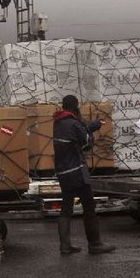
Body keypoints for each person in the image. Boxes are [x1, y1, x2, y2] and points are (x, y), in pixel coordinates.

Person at [53, 95, 116, 255]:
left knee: (66, 208)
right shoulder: (73, 123)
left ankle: (65, 246)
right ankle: (95, 244)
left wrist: (86, 127)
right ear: (75, 107)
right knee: (89, 207)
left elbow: (75, 135)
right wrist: (93, 127)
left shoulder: (58, 123)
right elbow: (87, 143)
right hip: (77, 172)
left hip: (63, 172)